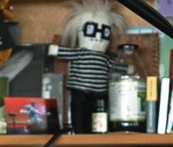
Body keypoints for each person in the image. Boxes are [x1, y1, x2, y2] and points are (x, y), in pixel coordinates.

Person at [48, 0, 125, 133]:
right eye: (91, 30)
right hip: (80, 91)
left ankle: (93, 132)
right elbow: (67, 52)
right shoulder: (80, 53)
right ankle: (80, 131)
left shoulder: (105, 58)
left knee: (98, 116)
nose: (98, 36)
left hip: (100, 93)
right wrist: (56, 50)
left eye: (104, 32)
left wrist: (127, 69)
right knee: (79, 112)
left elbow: (116, 66)